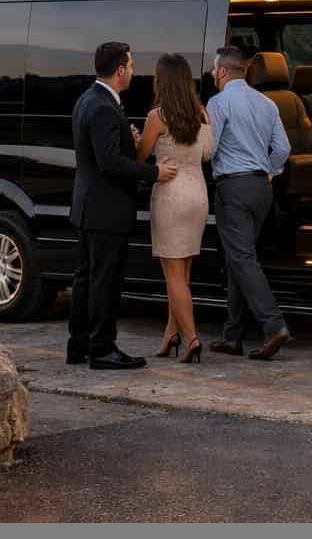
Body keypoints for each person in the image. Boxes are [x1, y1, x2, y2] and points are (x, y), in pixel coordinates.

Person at [66, 41, 178, 370]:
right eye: (130, 65)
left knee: (86, 279)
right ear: (119, 70)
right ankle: (102, 348)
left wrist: (127, 138)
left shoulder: (90, 98)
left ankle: (79, 345)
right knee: (104, 281)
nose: (132, 70)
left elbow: (101, 149)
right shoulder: (104, 106)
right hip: (106, 209)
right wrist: (155, 172)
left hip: (88, 206)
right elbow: (109, 163)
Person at [205, 46, 292, 360]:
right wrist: (269, 171)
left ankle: (273, 325)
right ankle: (233, 335)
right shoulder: (267, 103)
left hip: (234, 188)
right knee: (238, 259)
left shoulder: (219, 102)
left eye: (215, 70)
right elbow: (283, 148)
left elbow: (209, 147)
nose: (213, 75)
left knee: (242, 259)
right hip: (261, 188)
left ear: (224, 72)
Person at [134, 53, 214, 364]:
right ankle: (171, 334)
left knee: (173, 274)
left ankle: (192, 337)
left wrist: (137, 140)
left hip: (170, 193)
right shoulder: (202, 114)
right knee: (183, 272)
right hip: (197, 193)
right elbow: (208, 153)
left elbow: (140, 158)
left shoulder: (157, 116)